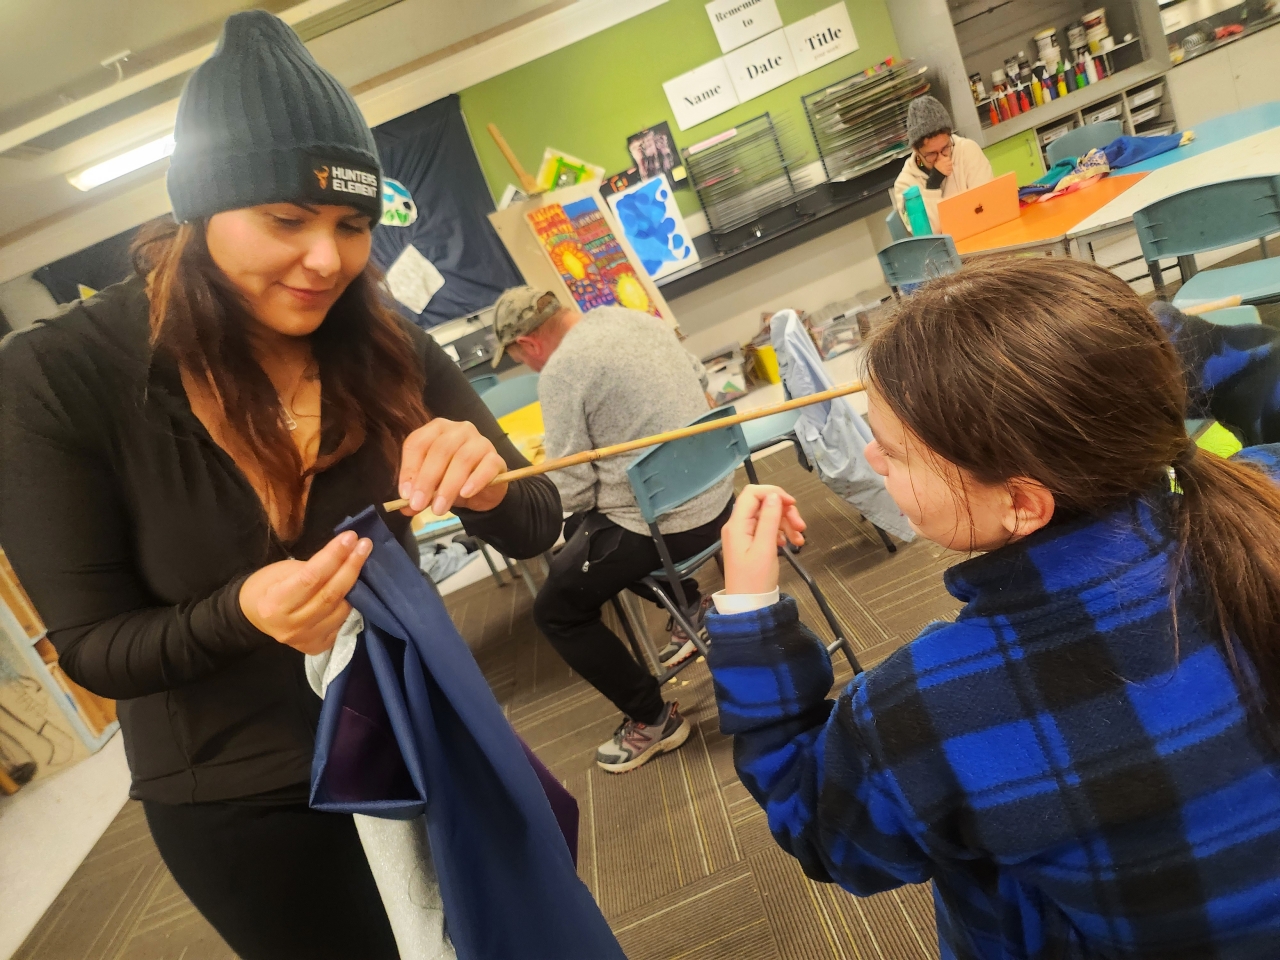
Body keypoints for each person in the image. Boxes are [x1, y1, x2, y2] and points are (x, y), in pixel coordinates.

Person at [0, 13, 561, 960]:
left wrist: (486, 484)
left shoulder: (383, 341)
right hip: (248, 800)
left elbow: (536, 523)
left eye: (351, 226)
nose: (327, 261)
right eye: (285, 220)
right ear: (200, 211)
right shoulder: (57, 378)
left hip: (420, 729)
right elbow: (94, 650)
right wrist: (241, 614)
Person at [705, 258, 1280, 958]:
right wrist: (1121, 346)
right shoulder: (1262, 496)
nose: (872, 459)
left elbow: (823, 828)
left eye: (894, 451)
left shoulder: (929, 706)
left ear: (1021, 502)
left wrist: (749, 613)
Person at [491, 287, 733, 773]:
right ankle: (690, 606)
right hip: (720, 493)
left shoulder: (561, 371)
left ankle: (653, 719)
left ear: (528, 343)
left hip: (668, 527)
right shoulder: (634, 319)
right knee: (592, 530)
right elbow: (702, 380)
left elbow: (573, 492)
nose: (524, 364)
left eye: (516, 356)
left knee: (557, 610)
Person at [892, 94, 993, 235]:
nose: (942, 158)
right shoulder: (905, 185)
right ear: (916, 150)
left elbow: (989, 205)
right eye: (932, 154)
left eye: (945, 148)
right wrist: (933, 184)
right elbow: (929, 237)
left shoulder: (967, 150)